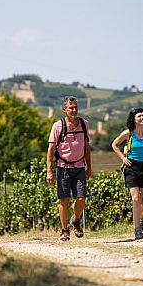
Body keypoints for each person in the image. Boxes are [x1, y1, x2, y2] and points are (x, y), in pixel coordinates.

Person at [46, 96, 92, 241]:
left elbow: (86, 147)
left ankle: (76, 219)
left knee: (81, 198)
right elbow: (51, 149)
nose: (74, 110)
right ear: (64, 109)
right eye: (71, 108)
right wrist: (49, 170)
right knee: (64, 200)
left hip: (79, 167)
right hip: (63, 168)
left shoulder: (84, 124)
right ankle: (65, 230)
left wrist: (89, 166)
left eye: (76, 107)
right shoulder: (57, 126)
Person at [112, 108, 143, 240]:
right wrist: (122, 158)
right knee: (136, 199)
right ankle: (137, 228)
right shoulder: (128, 133)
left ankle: (140, 220)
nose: (142, 118)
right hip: (131, 167)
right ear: (133, 119)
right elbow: (114, 144)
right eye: (139, 116)